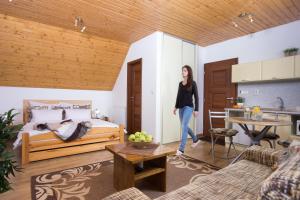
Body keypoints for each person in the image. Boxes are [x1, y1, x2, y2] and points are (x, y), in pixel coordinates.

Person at [173, 65, 200, 156]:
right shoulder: (180, 83)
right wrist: (175, 107)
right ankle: (195, 139)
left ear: (188, 72)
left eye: (184, 70)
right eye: (182, 71)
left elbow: (196, 97)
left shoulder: (193, 83)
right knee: (184, 126)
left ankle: (181, 149)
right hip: (181, 107)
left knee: (184, 126)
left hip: (189, 107)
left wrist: (196, 109)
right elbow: (178, 96)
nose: (183, 72)